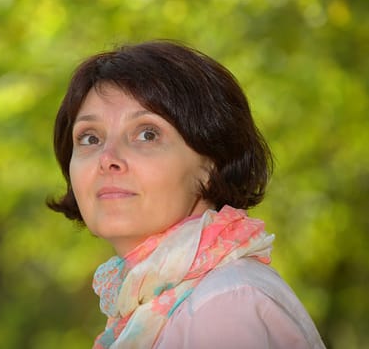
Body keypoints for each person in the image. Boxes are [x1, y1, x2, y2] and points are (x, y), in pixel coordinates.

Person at [47, 41, 326, 348]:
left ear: (210, 166)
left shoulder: (224, 307)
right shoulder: (154, 307)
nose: (107, 157)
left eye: (147, 134)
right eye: (90, 138)